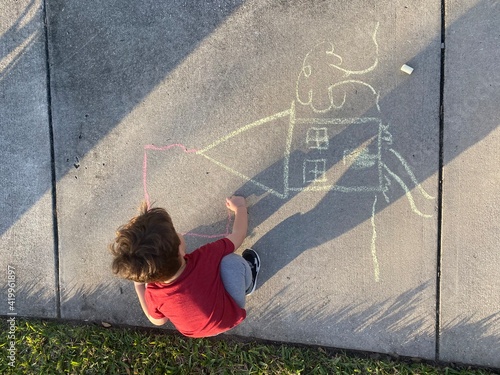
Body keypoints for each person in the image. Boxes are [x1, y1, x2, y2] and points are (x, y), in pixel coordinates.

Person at [109, 195, 260, 338]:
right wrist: (240, 207)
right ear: (180, 248)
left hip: (197, 332)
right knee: (231, 263)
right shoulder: (205, 257)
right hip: (230, 314)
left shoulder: (154, 294)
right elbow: (238, 235)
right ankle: (249, 283)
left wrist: (139, 287)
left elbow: (157, 320)